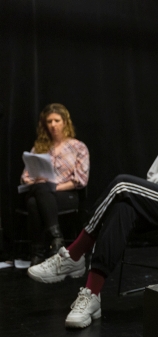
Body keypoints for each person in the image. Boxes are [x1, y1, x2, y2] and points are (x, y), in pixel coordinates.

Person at [27, 85, 158, 329]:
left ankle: (74, 253)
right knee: (122, 208)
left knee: (123, 185)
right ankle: (91, 293)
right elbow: (151, 177)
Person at [20, 103, 90, 265]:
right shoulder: (39, 148)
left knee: (33, 202)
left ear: (65, 122)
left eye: (57, 120)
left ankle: (37, 253)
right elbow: (25, 177)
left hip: (67, 193)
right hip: (42, 192)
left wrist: (52, 187)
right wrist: (39, 183)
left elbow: (80, 180)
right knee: (37, 194)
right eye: (49, 121)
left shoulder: (77, 147)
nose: (53, 125)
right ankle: (57, 239)